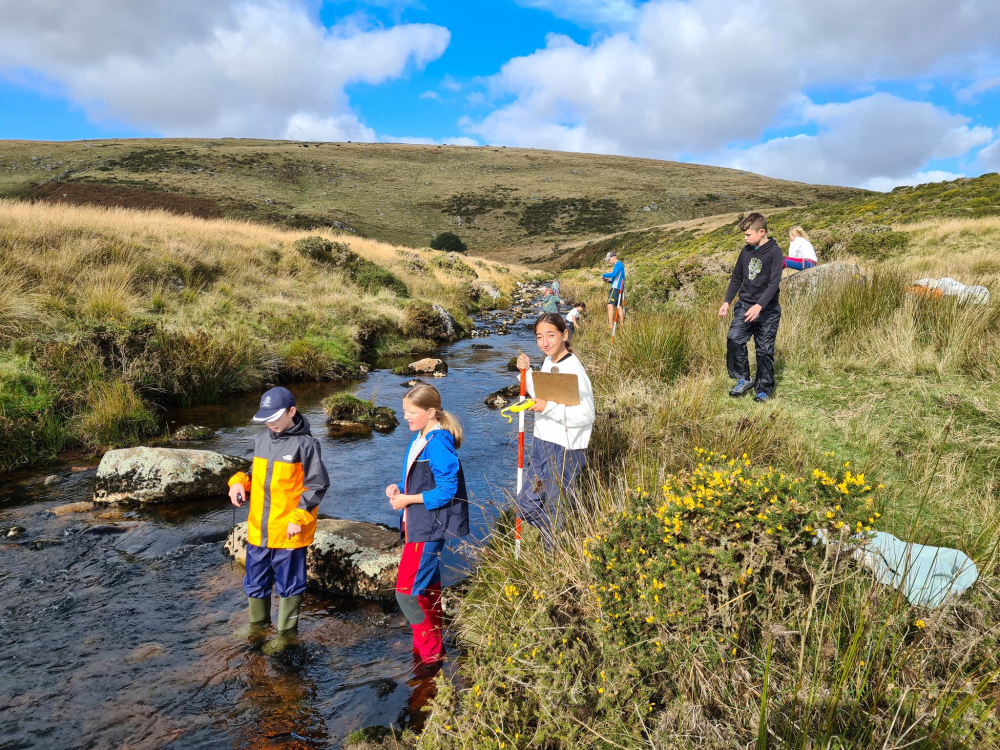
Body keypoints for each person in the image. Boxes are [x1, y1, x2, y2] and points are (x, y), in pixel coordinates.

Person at [228, 386, 330, 652]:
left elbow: (317, 485)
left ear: (292, 412)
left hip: (289, 531)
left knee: (289, 584)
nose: (270, 423)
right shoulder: (262, 440)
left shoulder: (306, 445)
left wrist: (299, 516)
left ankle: (286, 634)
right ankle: (258, 626)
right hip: (259, 530)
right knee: (255, 579)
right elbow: (255, 473)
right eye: (266, 418)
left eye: (275, 417)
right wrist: (239, 483)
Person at [386, 383, 469, 667]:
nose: (405, 417)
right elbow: (423, 480)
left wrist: (408, 498)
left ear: (430, 412)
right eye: (404, 411)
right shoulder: (421, 436)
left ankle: (430, 656)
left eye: (410, 412)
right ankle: (430, 651)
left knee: (406, 594)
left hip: (428, 528)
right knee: (427, 590)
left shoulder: (438, 443)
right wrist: (399, 487)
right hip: (418, 525)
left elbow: (447, 489)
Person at [515, 313, 595, 547]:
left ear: (564, 335)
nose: (545, 342)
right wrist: (527, 372)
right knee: (526, 505)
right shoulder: (549, 361)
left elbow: (587, 415)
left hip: (567, 448)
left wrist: (547, 407)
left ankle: (556, 556)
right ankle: (561, 533)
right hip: (543, 442)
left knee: (555, 510)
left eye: (551, 335)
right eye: (540, 337)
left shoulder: (574, 370)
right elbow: (541, 394)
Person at [718, 212, 783, 403]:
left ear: (761, 232)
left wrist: (759, 306)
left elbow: (774, 283)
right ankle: (744, 378)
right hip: (744, 305)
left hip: (768, 311)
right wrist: (727, 302)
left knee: (764, 351)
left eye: (748, 235)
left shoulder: (775, 252)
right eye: (744, 235)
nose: (745, 239)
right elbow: (737, 278)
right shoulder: (746, 251)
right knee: (734, 339)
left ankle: (764, 388)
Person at [601, 251, 624, 328]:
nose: (609, 261)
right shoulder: (620, 265)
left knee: (610, 305)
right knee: (619, 306)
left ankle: (610, 324)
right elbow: (618, 278)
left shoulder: (618, 264)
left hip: (615, 288)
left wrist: (604, 275)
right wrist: (608, 281)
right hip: (619, 288)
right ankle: (622, 324)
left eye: (609, 259)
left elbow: (614, 274)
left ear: (613, 257)